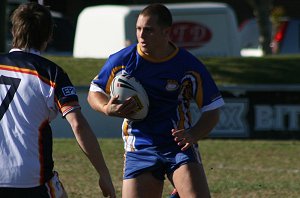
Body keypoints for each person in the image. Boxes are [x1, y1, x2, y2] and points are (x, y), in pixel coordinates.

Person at [88, 3, 224, 198]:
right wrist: (106, 108)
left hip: (177, 146)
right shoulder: (123, 60)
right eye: (138, 29)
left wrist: (193, 134)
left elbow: (212, 109)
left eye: (149, 30)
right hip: (139, 146)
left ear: (166, 32)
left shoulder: (188, 65)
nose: (141, 35)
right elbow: (94, 91)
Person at [0, 2, 115, 198]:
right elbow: (77, 125)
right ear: (49, 36)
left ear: (13, 31)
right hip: (29, 179)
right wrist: (104, 174)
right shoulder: (51, 73)